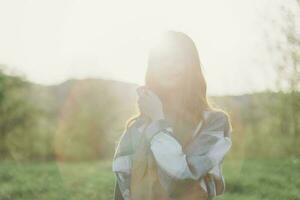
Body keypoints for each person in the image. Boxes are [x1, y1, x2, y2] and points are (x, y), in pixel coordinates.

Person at [112, 31, 233, 200]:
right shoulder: (138, 127)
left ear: (191, 65)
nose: (169, 66)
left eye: (178, 59)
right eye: (162, 60)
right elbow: (123, 188)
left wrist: (158, 124)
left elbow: (184, 176)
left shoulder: (214, 123)